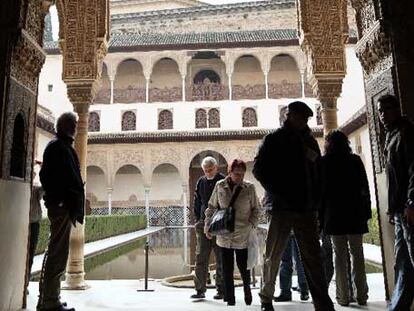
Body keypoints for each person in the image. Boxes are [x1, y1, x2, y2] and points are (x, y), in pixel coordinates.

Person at [253, 101, 335, 311]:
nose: (302, 121)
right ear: (288, 116)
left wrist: (317, 200)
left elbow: (318, 173)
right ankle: (266, 298)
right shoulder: (274, 140)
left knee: (313, 257)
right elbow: (259, 170)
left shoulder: (309, 141)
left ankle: (322, 303)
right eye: (298, 117)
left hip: (306, 208)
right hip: (282, 207)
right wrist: (278, 191)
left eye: (305, 118)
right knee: (274, 254)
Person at [37, 112, 85, 311]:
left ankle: (49, 297)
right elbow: (48, 177)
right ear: (63, 126)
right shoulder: (58, 147)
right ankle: (49, 301)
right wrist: (60, 201)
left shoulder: (61, 146)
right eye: (72, 124)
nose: (75, 127)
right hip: (61, 207)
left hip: (63, 206)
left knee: (57, 251)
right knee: (57, 253)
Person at [320, 130, 371, 306]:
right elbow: (365, 188)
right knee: (357, 254)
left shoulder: (324, 163)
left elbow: (321, 193)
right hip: (355, 214)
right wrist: (366, 213)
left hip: (334, 216)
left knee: (339, 257)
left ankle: (343, 297)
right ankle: (362, 295)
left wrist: (320, 218)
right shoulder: (355, 161)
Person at [204, 159, 261, 306]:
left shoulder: (249, 188)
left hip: (243, 234)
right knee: (226, 268)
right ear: (229, 173)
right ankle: (230, 298)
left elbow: (257, 209)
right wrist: (207, 225)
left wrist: (251, 224)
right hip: (224, 235)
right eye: (236, 174)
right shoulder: (220, 186)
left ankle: (247, 291)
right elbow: (211, 207)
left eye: (242, 174)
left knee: (244, 267)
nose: (239, 177)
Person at [377, 94, 414, 311]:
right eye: (380, 111)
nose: (383, 115)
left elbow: (413, 170)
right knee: (403, 264)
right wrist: (393, 209)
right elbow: (394, 177)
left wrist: (412, 202)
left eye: (387, 109)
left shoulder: (406, 133)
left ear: (397, 109)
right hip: (400, 210)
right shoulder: (391, 135)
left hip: (408, 209)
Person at [191, 156, 225, 300]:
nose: (208, 173)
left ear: (216, 168)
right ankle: (200, 289)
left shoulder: (223, 181)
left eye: (210, 170)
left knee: (221, 258)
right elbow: (197, 201)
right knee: (201, 257)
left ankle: (221, 289)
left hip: (220, 225)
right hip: (202, 223)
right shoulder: (201, 181)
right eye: (205, 170)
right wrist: (198, 219)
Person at [274, 232, 309, 302]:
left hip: (287, 226)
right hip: (296, 226)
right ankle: (303, 289)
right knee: (300, 259)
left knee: (287, 260)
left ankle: (286, 291)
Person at [26, 162, 44, 294]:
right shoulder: (26, 190)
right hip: (26, 224)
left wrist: (44, 168)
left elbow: (48, 187)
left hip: (33, 224)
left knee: (30, 256)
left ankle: (24, 284)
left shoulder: (36, 190)